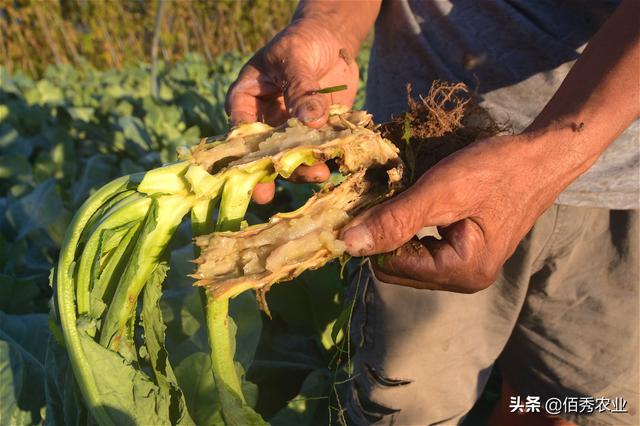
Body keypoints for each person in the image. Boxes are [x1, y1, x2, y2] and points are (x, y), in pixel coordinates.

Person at [225, 1, 639, 424]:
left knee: (576, 408)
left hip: (617, 182)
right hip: (416, 179)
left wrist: (553, 154)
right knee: (405, 412)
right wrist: (331, 24)